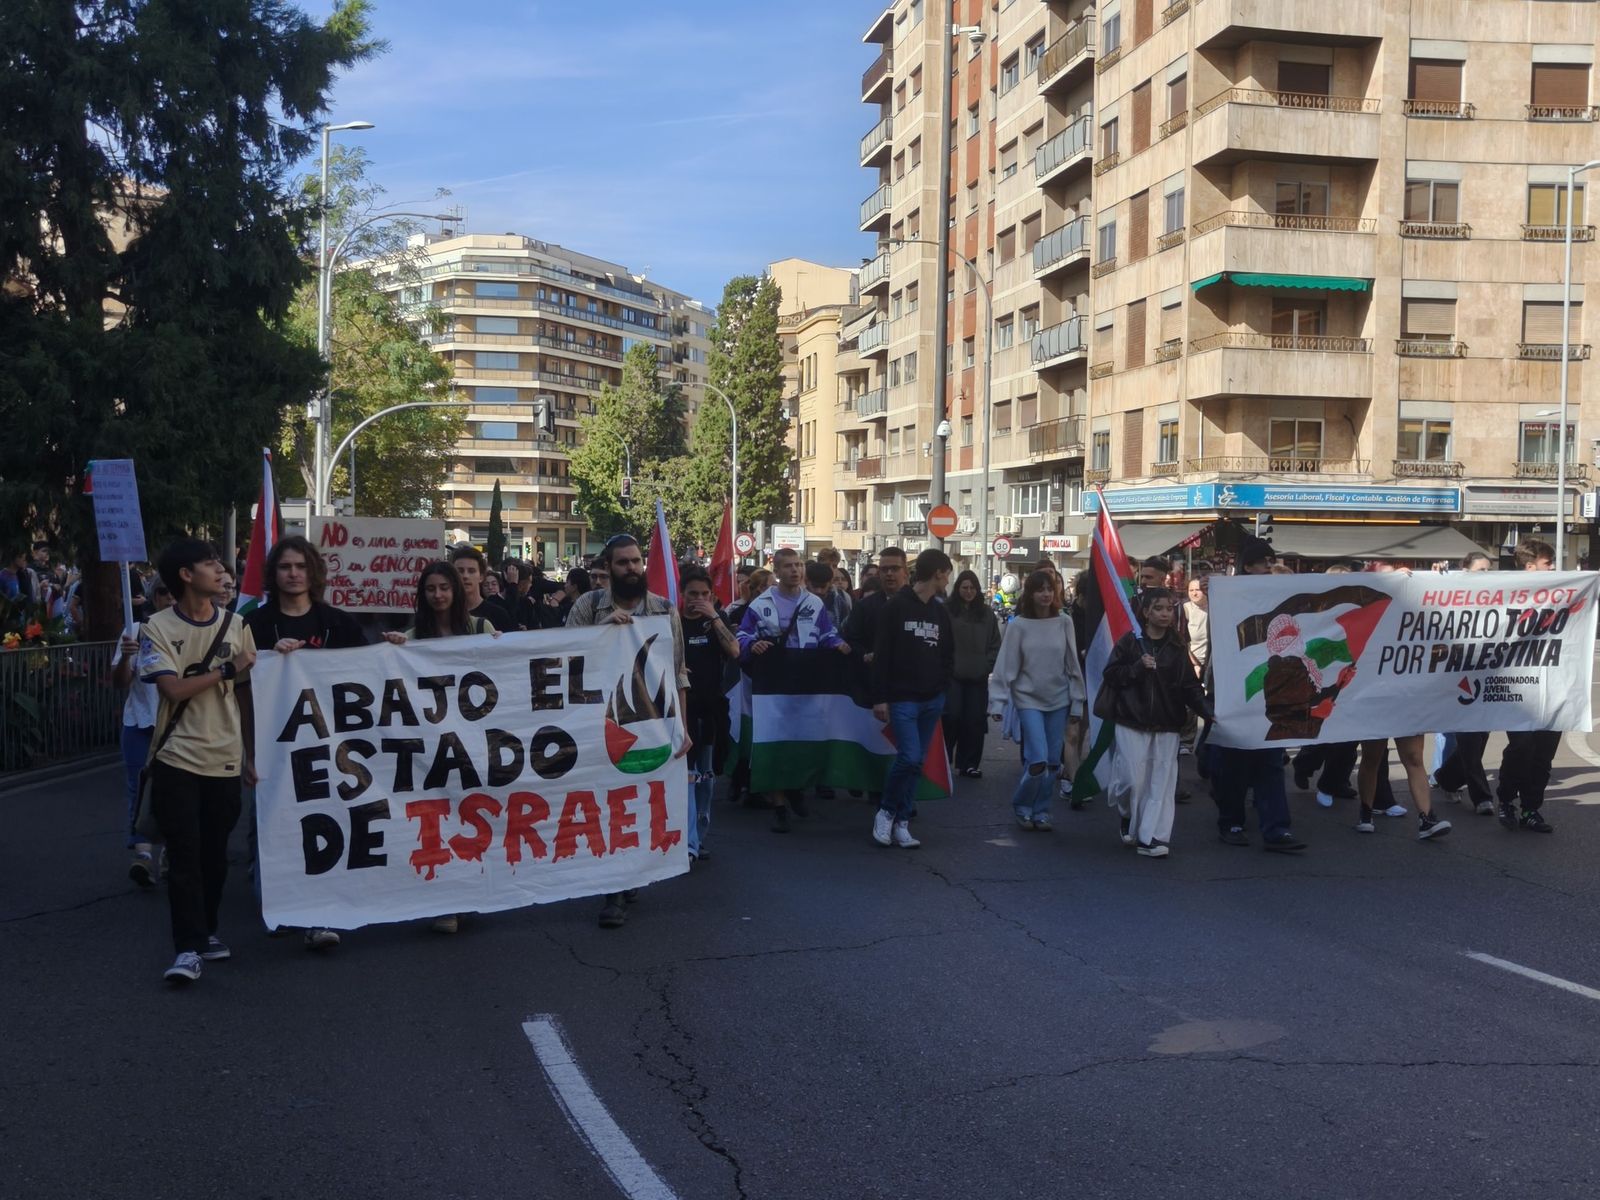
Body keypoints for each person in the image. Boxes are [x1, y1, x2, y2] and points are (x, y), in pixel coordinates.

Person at [137, 539, 258, 984]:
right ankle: (186, 949)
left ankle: (206, 932)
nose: (221, 571)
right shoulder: (156, 627)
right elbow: (171, 689)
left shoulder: (237, 625)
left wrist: (251, 753)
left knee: (214, 857)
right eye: (210, 564)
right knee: (185, 856)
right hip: (176, 757)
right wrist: (225, 669)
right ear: (186, 575)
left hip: (224, 758)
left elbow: (245, 695)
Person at [243, 535, 366, 950]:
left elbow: (370, 676)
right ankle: (279, 905)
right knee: (274, 827)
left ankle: (319, 913)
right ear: (273, 574)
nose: (293, 574)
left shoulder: (340, 624)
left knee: (326, 824)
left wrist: (395, 650)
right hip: (275, 748)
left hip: (332, 749)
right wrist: (247, 752)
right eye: (285, 567)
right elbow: (241, 690)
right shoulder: (255, 627)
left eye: (300, 566)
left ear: (313, 572)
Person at [567, 533, 691, 928]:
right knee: (607, 801)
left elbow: (678, 673)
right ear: (608, 567)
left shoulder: (664, 609)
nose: (632, 568)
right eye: (623, 563)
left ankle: (629, 874)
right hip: (598, 723)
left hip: (650, 724)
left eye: (636, 561)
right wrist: (602, 631)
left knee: (638, 802)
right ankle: (614, 887)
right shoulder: (589, 606)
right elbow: (565, 657)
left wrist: (682, 728)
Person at [380, 561, 497, 933]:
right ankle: (446, 902)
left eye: (444, 587)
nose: (438, 595)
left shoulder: (482, 628)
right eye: (431, 589)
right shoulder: (411, 637)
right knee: (438, 819)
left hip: (473, 744)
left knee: (470, 817)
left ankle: (469, 892)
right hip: (431, 748)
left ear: (456, 591)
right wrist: (394, 651)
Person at [738, 548, 850, 832]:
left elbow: (826, 632)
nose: (795, 570)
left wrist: (837, 644)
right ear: (776, 572)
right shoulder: (760, 604)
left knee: (801, 739)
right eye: (788, 566)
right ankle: (779, 807)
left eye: (799, 565)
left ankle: (795, 789)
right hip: (773, 686)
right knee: (776, 742)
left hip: (806, 684)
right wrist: (752, 644)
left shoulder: (814, 602)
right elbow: (741, 636)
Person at [1100, 587, 1213, 858]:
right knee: (1131, 780)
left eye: (1169, 609)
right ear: (1146, 612)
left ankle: (1152, 837)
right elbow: (1111, 674)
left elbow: (1189, 686)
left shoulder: (1177, 646)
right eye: (1159, 608)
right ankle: (1127, 814)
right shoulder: (1130, 642)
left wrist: (1209, 711)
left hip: (1167, 722)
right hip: (1131, 719)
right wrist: (1137, 668)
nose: (1165, 614)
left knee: (1160, 783)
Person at [870, 548, 955, 849]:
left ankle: (902, 822)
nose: (948, 581)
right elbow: (882, 655)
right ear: (938, 574)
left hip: (932, 698)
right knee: (910, 757)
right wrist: (880, 698)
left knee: (916, 763)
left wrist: (942, 688)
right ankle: (886, 811)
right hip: (902, 697)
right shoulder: (896, 607)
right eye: (947, 575)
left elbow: (948, 653)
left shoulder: (940, 611)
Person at [988, 569, 1085, 831]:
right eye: (1040, 589)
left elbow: (1073, 665)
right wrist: (997, 702)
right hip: (1028, 700)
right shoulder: (1018, 625)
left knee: (1053, 762)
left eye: (1049, 589)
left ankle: (1041, 810)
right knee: (1038, 759)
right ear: (1029, 593)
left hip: (1059, 699)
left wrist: (1077, 702)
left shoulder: (1064, 622)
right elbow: (1005, 664)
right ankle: (1022, 805)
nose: (1046, 594)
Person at [112, 576, 174, 886]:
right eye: (163, 591)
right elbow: (119, 681)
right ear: (154, 596)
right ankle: (143, 855)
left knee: (178, 792)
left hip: (179, 727)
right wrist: (126, 655)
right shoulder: (135, 631)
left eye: (177, 592)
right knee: (139, 790)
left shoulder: (195, 630)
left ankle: (170, 853)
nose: (170, 598)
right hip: (139, 722)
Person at [1495, 538, 1559, 834]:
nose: (1554, 567)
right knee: (1521, 746)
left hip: (1554, 687)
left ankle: (1531, 809)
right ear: (1531, 566)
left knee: (1543, 754)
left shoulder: (1565, 591)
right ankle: (1507, 799)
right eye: (1549, 563)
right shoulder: (1506, 592)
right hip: (1518, 688)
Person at [678, 567, 739, 862]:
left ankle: (699, 836)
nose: (699, 600)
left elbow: (735, 651)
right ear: (682, 594)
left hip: (712, 708)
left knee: (707, 776)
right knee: (688, 776)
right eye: (693, 594)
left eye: (705, 594)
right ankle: (687, 842)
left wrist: (714, 617)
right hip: (684, 709)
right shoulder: (673, 622)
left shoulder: (716, 620)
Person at [1433, 551, 1497, 815]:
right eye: (1481, 570)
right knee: (1469, 739)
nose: (1486, 575)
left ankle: (1446, 778)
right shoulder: (1454, 590)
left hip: (1485, 676)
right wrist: (1438, 575)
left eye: (1489, 571)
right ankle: (1482, 797)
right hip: (1456, 676)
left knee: (1480, 738)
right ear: (1465, 570)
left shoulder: (1495, 595)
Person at [944, 569, 1001, 780]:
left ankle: (969, 764)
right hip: (953, 676)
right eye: (964, 587)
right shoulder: (947, 611)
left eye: (972, 588)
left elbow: (995, 644)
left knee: (975, 721)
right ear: (957, 588)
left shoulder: (986, 614)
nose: (968, 591)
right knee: (951, 717)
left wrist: (986, 665)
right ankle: (944, 761)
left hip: (978, 677)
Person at [449, 545, 512, 631]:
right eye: (460, 571)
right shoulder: (444, 614)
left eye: (471, 571)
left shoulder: (498, 614)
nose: (465, 576)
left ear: (481, 576)